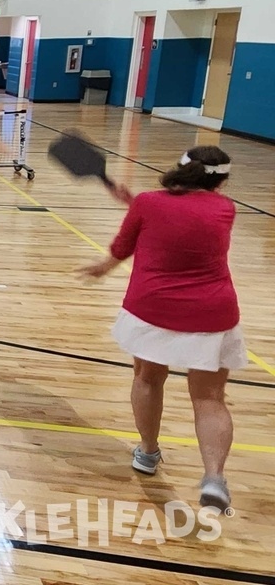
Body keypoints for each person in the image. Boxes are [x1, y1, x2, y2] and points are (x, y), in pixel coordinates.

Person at [80, 146, 244, 512]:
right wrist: (137, 203)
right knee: (210, 399)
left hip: (153, 310)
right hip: (212, 313)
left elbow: (126, 244)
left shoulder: (149, 204)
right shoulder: (225, 209)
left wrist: (104, 265)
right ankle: (215, 477)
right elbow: (185, 216)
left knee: (148, 378)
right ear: (221, 180)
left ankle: (148, 453)